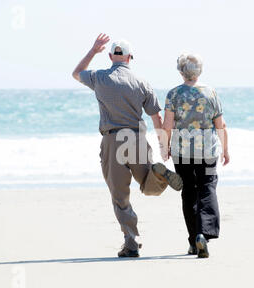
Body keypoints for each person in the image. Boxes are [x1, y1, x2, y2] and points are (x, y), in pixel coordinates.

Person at [72, 33, 183, 258]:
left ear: (111, 56)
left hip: (113, 140)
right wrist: (164, 145)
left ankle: (131, 241)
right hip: (136, 139)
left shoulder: (99, 77)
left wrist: (93, 51)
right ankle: (158, 175)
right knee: (148, 187)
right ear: (131, 58)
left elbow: (76, 73)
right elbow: (155, 118)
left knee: (120, 196)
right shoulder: (142, 82)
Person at [162, 53, 230, 258]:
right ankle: (204, 233)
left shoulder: (173, 94)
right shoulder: (211, 93)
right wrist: (225, 149)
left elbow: (167, 126)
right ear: (199, 71)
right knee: (207, 187)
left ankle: (194, 241)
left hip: (181, 153)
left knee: (188, 192)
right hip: (207, 152)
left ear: (181, 72)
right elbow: (221, 125)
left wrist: (164, 147)